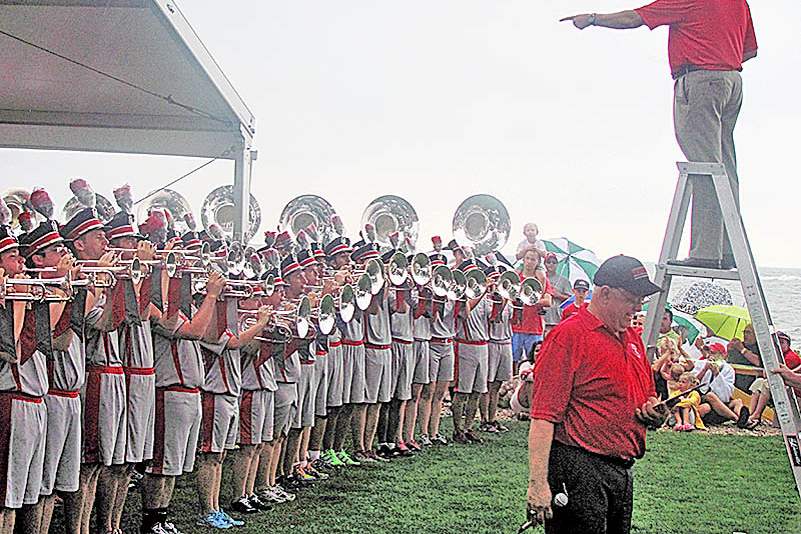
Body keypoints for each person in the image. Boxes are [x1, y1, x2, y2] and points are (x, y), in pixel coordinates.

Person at [562, 2, 757, 269]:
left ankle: (708, 252)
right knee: (725, 168)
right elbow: (749, 50)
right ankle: (729, 248)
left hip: (700, 79)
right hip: (732, 80)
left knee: (705, 166)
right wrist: (720, 57)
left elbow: (635, 17)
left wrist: (593, 19)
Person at [526, 255, 666, 533]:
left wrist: (653, 411)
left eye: (641, 300)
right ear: (604, 294)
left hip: (621, 470)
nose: (638, 306)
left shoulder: (632, 337)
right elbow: (543, 416)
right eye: (632, 298)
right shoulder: (569, 336)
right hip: (579, 468)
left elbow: (645, 395)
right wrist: (538, 484)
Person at [511, 249, 552, 372]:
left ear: (538, 262)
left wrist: (530, 300)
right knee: (513, 361)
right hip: (516, 326)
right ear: (523, 259)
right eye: (527, 258)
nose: (529, 262)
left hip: (534, 327)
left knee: (534, 361)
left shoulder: (542, 280)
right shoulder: (516, 277)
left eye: (533, 259)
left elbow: (548, 301)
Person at [543, 253, 571, 330]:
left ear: (557, 264)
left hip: (556, 318)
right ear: (544, 264)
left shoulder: (564, 281)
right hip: (541, 316)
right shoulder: (540, 277)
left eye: (554, 262)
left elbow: (570, 299)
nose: (551, 264)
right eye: (548, 262)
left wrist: (558, 295)